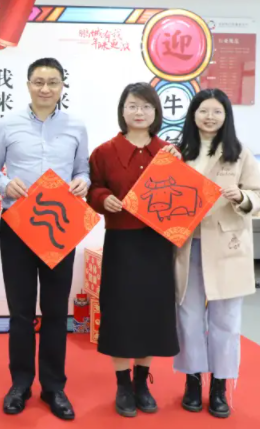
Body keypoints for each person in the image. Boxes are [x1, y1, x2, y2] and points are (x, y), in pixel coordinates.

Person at [0, 57, 88, 420]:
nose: (46, 88)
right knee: (21, 312)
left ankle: (54, 386)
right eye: (39, 82)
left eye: (53, 82)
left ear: (62, 86)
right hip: (17, 224)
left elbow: (83, 169)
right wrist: (3, 183)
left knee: (56, 311)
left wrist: (83, 182)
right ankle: (20, 383)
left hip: (60, 226)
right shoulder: (7, 124)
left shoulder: (76, 126)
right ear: (28, 85)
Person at [86, 83, 181, 417]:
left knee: (152, 311)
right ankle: (123, 385)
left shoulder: (169, 153)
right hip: (122, 241)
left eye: (146, 106)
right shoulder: (104, 151)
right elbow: (92, 189)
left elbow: (183, 193)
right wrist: (103, 199)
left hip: (157, 242)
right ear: (122, 110)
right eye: (132, 106)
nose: (139, 112)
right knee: (121, 311)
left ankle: (142, 382)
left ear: (156, 112)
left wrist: (179, 165)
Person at [173, 89, 260, 418]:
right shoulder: (178, 152)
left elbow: (259, 196)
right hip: (188, 245)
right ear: (193, 115)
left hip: (227, 246)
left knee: (225, 320)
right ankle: (192, 380)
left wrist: (240, 196)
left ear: (226, 116)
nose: (209, 117)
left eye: (216, 112)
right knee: (188, 317)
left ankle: (220, 386)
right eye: (203, 111)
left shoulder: (239, 153)